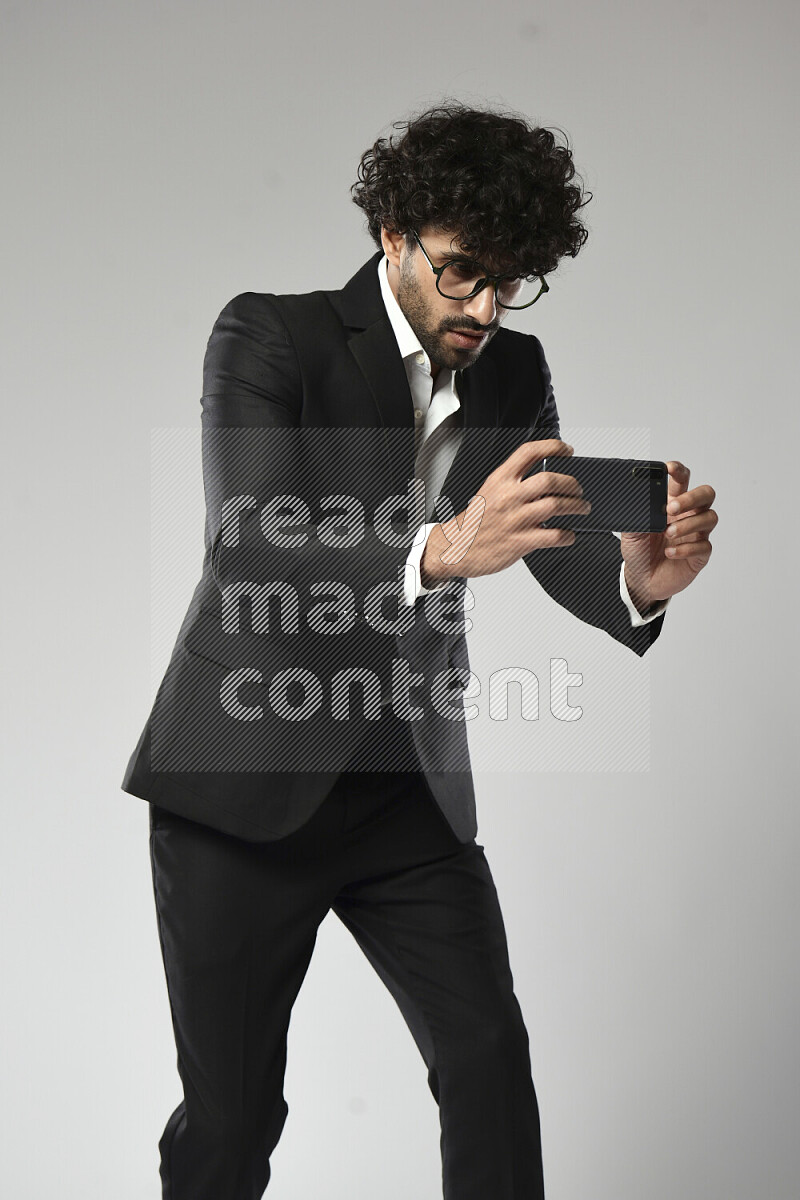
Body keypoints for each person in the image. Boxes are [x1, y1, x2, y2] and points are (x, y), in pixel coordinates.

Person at [122, 102, 717, 1199]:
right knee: (234, 1118)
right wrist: (439, 547)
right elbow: (249, 544)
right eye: (460, 274)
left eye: (512, 280)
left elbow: (535, 542)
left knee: (489, 1063)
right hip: (238, 793)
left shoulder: (509, 366)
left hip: (406, 795)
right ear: (392, 235)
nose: (485, 308)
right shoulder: (269, 333)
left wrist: (636, 580)